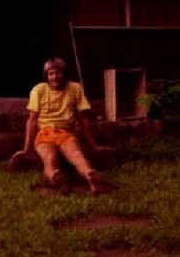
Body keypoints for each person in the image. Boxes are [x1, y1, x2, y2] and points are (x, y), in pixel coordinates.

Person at [17, 57, 112, 194]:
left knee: (76, 155)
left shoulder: (75, 88)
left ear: (65, 74)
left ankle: (90, 175)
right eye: (51, 73)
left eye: (58, 73)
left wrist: (93, 145)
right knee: (50, 157)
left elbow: (83, 119)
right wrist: (26, 149)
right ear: (46, 75)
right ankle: (55, 176)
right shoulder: (39, 90)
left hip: (66, 134)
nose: (55, 77)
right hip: (45, 134)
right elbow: (32, 121)